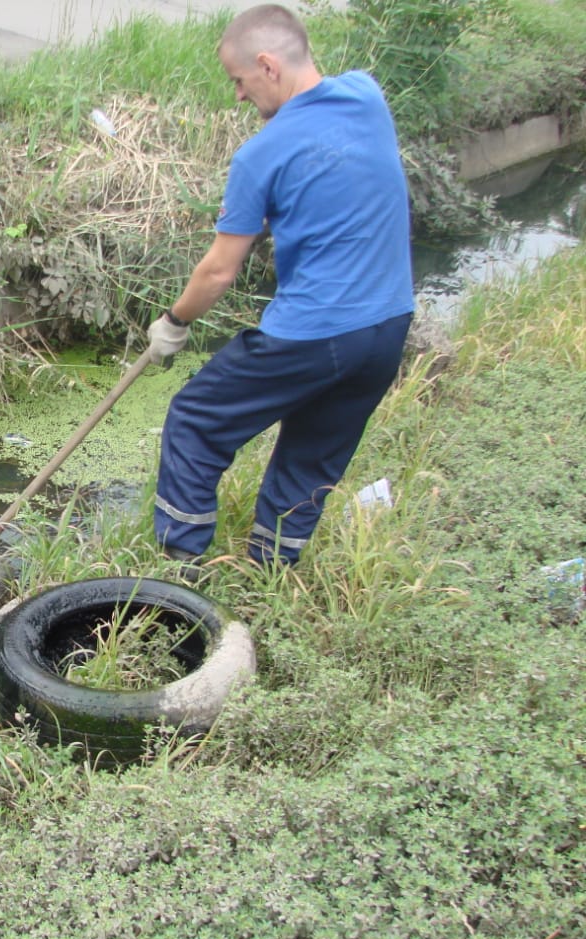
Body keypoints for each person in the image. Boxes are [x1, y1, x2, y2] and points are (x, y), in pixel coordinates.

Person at [147, 3, 414, 570]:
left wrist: (174, 324)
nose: (238, 96)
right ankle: (271, 572)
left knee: (196, 420)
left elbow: (220, 271)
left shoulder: (260, 155)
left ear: (267, 65)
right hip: (389, 326)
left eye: (239, 81)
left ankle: (179, 568)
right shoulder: (366, 96)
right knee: (311, 456)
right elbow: (337, 174)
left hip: (314, 333)